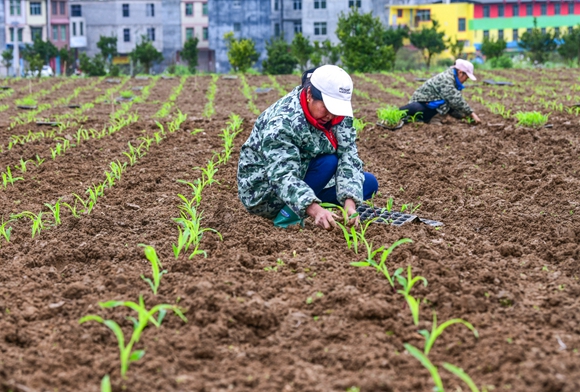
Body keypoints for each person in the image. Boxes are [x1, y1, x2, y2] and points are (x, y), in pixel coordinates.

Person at [237, 65, 378, 230]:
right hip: (264, 193)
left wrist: (350, 203)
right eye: (327, 107)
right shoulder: (283, 122)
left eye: (337, 109)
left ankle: (304, 204)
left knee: (368, 184)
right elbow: (281, 176)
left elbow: (348, 154)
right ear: (310, 94)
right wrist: (315, 209)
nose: (331, 115)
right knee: (328, 162)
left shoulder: (337, 115)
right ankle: (286, 217)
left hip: (304, 173)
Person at [399, 59, 481, 124]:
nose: (466, 80)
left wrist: (465, 117)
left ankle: (430, 118)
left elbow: (453, 106)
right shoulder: (446, 79)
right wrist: (471, 114)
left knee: (451, 107)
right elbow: (456, 99)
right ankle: (397, 114)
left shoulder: (455, 81)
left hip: (433, 106)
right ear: (460, 72)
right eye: (466, 77)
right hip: (423, 103)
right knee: (414, 109)